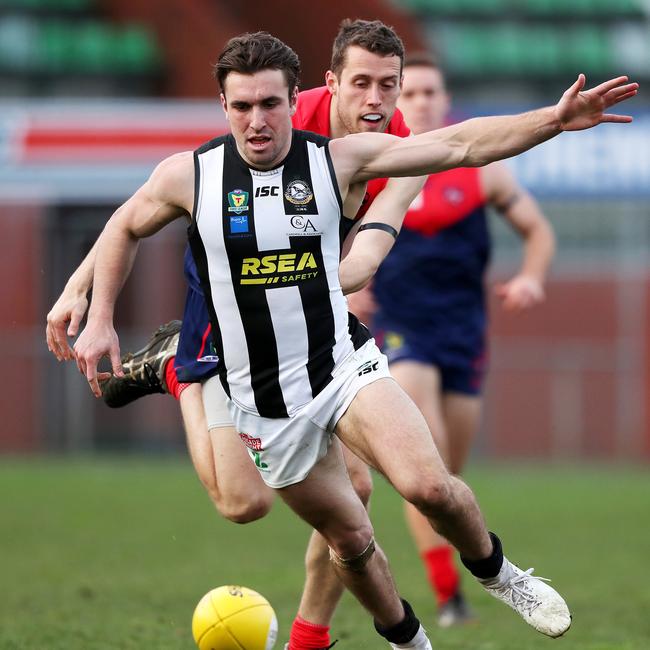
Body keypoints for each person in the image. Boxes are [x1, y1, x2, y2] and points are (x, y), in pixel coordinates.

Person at [72, 31, 637, 648]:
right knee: (349, 538)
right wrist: (99, 315)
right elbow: (123, 225)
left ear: (296, 100)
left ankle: (500, 572)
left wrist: (553, 120)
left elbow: (460, 143)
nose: (257, 121)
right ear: (224, 107)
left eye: (270, 105)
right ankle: (408, 639)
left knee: (427, 486)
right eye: (241, 107)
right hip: (261, 398)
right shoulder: (191, 176)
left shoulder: (338, 160)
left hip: (341, 364)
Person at [46, 19, 423, 650]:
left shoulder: (402, 145)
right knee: (243, 505)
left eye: (392, 87)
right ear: (331, 84)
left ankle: (310, 635)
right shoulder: (279, 108)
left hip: (311, 315)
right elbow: (155, 203)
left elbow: (373, 237)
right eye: (362, 84)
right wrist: (80, 291)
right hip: (227, 307)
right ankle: (173, 363)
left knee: (355, 487)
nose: (377, 101)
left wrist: (344, 279)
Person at [347, 53, 556, 628]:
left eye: (429, 92)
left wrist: (532, 277)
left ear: (445, 99)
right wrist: (345, 287)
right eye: (407, 93)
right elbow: (329, 232)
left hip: (463, 332)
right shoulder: (376, 164)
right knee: (429, 460)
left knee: (448, 477)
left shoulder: (482, 169)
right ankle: (450, 598)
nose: (418, 101)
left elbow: (537, 231)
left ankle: (453, 570)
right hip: (398, 328)